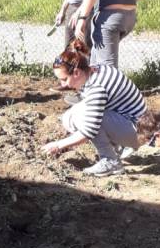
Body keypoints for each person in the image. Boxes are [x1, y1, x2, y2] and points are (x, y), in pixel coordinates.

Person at [42, 39, 146, 176]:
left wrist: (58, 145)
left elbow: (89, 131)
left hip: (139, 131)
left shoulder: (97, 88)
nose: (63, 85)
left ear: (76, 73)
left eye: (64, 79)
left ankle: (110, 161)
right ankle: (116, 147)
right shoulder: (94, 70)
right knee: (70, 117)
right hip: (131, 122)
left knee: (88, 118)